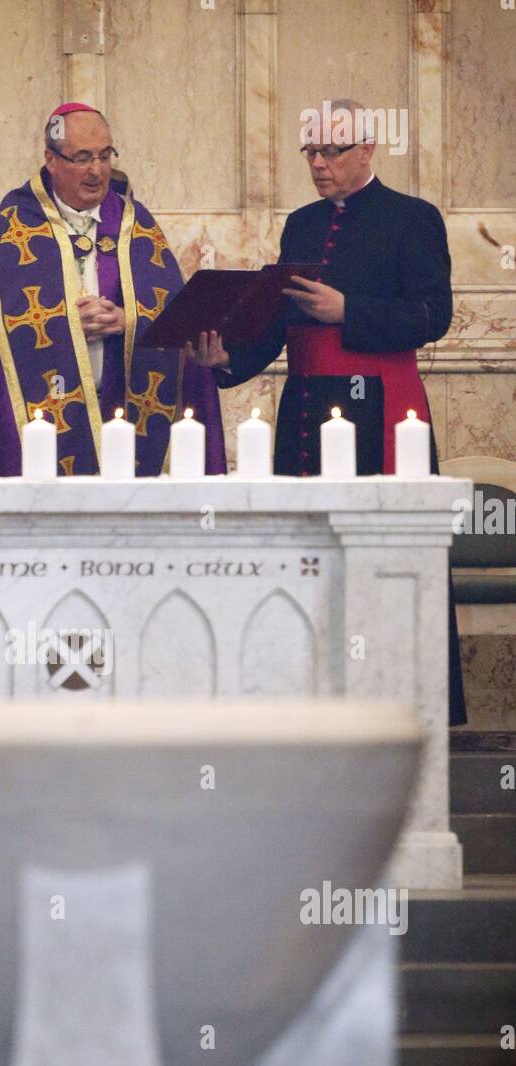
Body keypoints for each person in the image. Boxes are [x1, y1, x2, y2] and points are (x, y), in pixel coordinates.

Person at [194, 98, 466, 723]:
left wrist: (351, 311)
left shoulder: (414, 219)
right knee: (309, 554)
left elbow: (435, 316)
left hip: (383, 409)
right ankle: (312, 697)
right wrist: (224, 360)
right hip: (307, 409)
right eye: (310, 152)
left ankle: (402, 699)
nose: (318, 164)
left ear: (367, 150)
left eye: (332, 152)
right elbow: (279, 323)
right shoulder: (301, 224)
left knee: (384, 556)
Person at [0, 103, 225, 477]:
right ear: (50, 159)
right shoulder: (8, 231)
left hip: (125, 411)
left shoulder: (137, 225)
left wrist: (129, 319)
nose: (97, 170)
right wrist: (64, 323)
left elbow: (177, 316)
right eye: (82, 157)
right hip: (42, 423)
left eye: (104, 155)